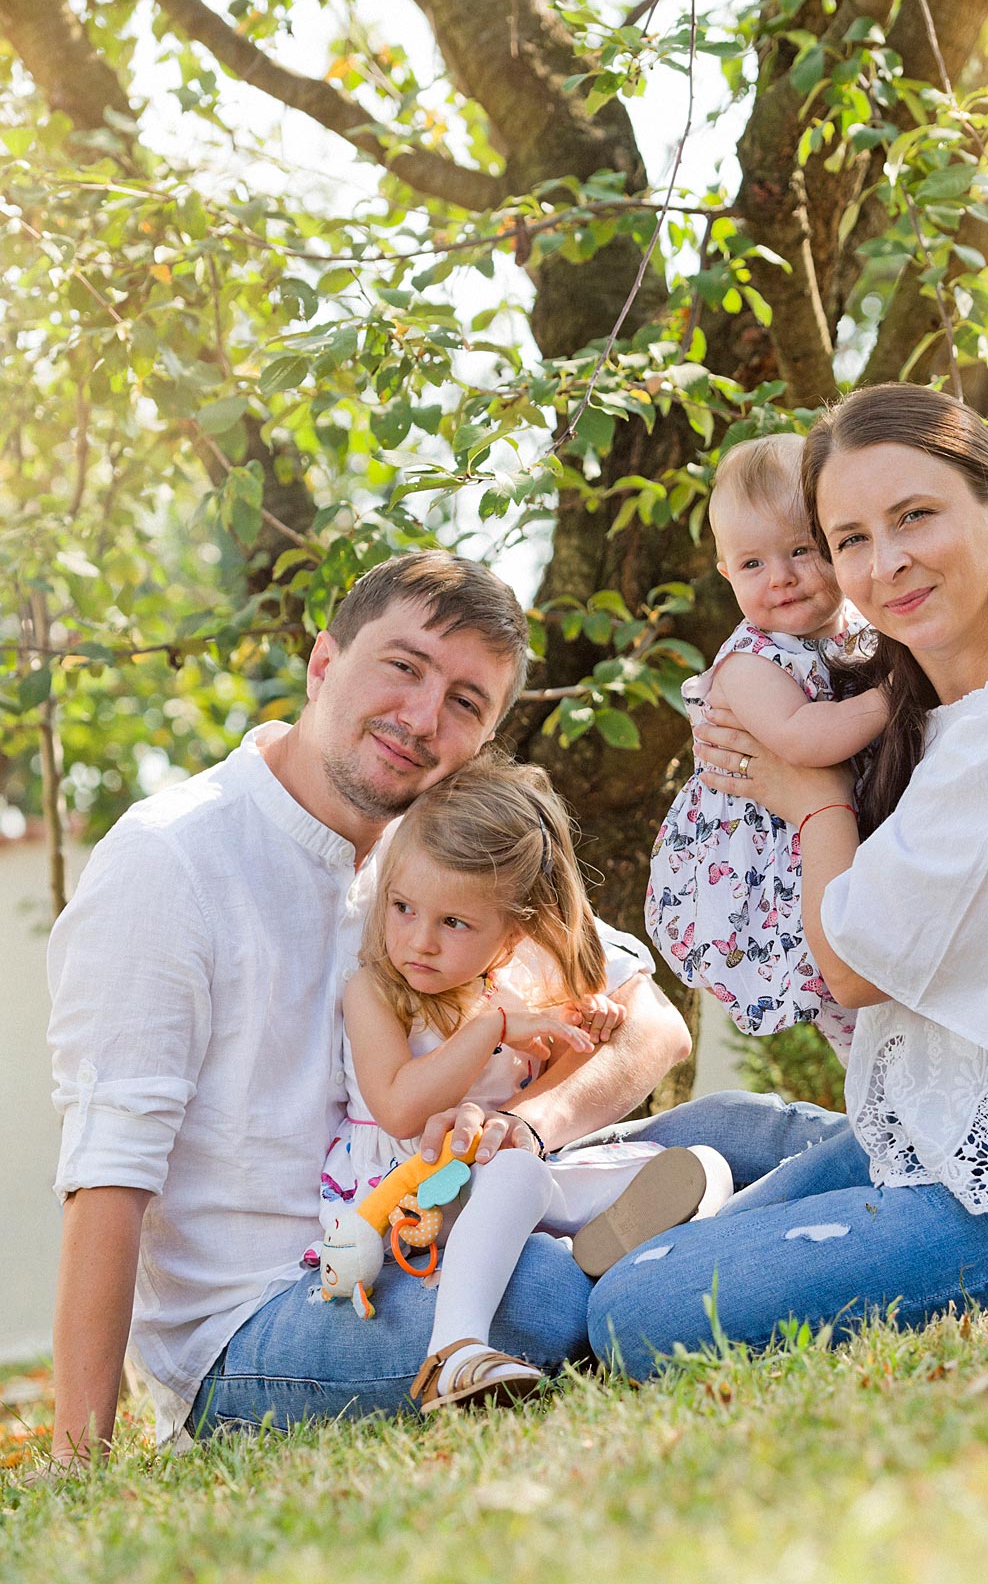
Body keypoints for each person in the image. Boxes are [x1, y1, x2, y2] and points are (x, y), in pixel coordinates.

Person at [586, 382, 988, 1377]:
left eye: (914, 516)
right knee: (657, 1218)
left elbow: (848, 967)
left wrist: (810, 797)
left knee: (637, 1309)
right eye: (849, 537)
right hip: (951, 1130)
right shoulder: (947, 693)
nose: (883, 564)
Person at [46, 551, 690, 1461]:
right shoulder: (170, 862)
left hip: (439, 1220)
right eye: (404, 666)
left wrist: (528, 1131)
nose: (424, 719)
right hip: (264, 1320)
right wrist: (82, 1457)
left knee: (735, 1131)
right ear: (323, 665)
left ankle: (735, 1248)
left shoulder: (425, 851)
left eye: (467, 703)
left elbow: (652, 1024)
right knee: (539, 1294)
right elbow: (107, 1173)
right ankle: (720, 1267)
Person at [325, 756, 731, 1411]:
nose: (418, 942)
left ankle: (672, 1240)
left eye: (453, 923)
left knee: (688, 1165)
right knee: (517, 1175)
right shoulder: (376, 990)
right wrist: (492, 1029)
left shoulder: (513, 984)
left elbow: (595, 1037)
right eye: (402, 908)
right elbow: (399, 1107)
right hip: (417, 1195)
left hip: (511, 1175)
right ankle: (452, 1353)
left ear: (511, 936)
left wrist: (586, 1020)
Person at [645, 435, 886, 1063]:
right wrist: (892, 699)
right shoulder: (751, 662)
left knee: (881, 1015)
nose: (780, 578)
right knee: (855, 1011)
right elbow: (803, 740)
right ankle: (887, 1108)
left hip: (822, 840)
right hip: (770, 861)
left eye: (802, 550)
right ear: (726, 572)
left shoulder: (857, 632)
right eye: (752, 564)